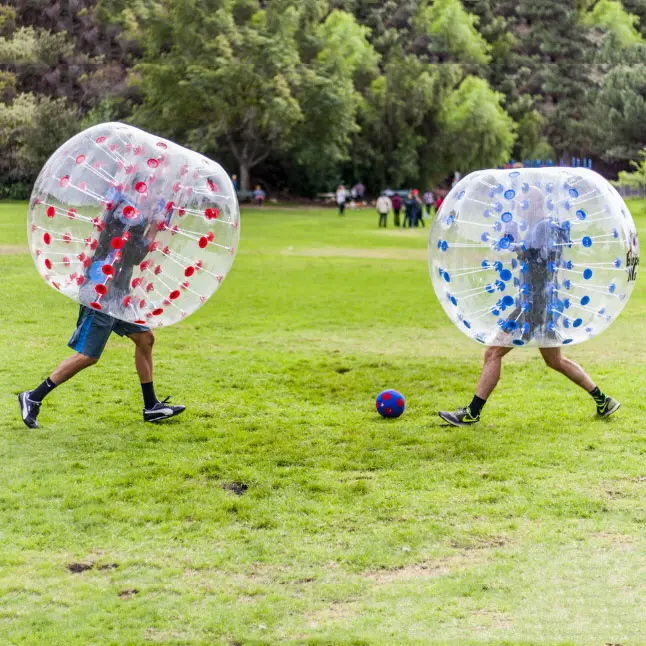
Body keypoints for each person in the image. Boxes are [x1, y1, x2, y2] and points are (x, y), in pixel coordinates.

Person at [438, 186, 620, 427]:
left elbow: (538, 258)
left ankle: (473, 412)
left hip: (532, 305)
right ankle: (603, 400)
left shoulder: (543, 227)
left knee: (493, 352)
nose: (519, 211)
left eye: (523, 205)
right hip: (543, 303)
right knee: (555, 361)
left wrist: (516, 245)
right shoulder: (547, 226)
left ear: (534, 205)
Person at [18, 186, 186, 429]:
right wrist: (154, 227)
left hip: (118, 292)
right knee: (88, 356)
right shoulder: (122, 215)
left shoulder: (134, 213)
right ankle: (32, 397)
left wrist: (152, 220)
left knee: (146, 339)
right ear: (142, 191)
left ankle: (151, 406)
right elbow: (135, 253)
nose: (158, 201)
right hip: (101, 290)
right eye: (154, 195)